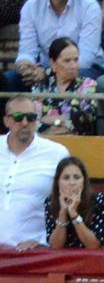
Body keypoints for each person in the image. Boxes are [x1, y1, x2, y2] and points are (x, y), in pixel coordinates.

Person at [11, 0, 104, 93]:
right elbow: (27, 50)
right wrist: (25, 67)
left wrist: (48, 73)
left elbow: (85, 59)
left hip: (84, 68)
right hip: (44, 67)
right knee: (10, 80)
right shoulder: (31, 7)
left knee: (79, 80)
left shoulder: (90, 7)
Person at [0, 98, 70, 252]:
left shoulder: (57, 153)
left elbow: (69, 203)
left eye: (31, 117)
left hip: (32, 252)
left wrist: (43, 240)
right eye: (18, 117)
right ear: (6, 121)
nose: (24, 123)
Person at [33, 38, 99, 138]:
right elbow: (33, 121)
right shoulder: (41, 86)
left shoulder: (88, 84)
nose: (73, 66)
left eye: (76, 60)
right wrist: (66, 121)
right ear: (53, 63)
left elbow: (87, 118)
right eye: (67, 61)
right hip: (46, 143)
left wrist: (50, 121)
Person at [42, 156, 104, 251]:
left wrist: (73, 212)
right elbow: (55, 246)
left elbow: (93, 245)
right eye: (66, 178)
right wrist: (63, 212)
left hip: (90, 260)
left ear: (84, 180)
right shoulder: (50, 201)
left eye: (77, 177)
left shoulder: (99, 200)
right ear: (58, 181)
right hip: (61, 260)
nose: (72, 183)